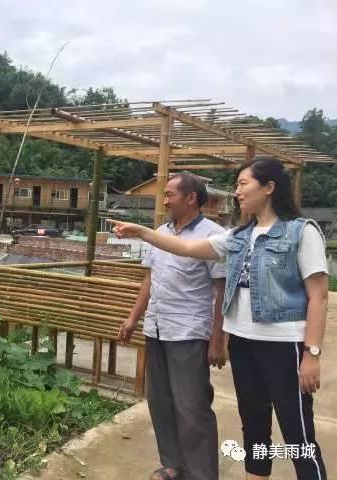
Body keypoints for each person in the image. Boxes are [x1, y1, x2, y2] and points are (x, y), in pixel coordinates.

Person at [109, 157, 328, 480]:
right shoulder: (238, 236)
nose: (237, 192)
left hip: (284, 346)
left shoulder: (301, 232)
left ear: (268, 188)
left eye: (242, 184)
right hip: (243, 343)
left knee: (297, 434)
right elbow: (185, 248)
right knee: (254, 428)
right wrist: (142, 231)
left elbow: (319, 296)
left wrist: (311, 353)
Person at [119, 173, 226, 480]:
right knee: (161, 401)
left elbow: (222, 290)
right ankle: (173, 464)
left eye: (169, 194)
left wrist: (218, 339)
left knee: (192, 407)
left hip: (189, 332)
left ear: (191, 198)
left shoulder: (213, 235)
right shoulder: (160, 233)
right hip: (157, 328)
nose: (163, 200)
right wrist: (133, 318)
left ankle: (202, 473)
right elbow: (150, 279)